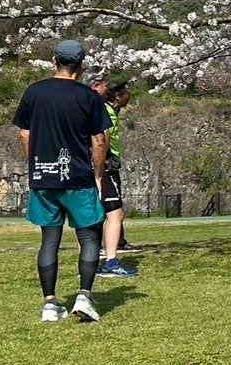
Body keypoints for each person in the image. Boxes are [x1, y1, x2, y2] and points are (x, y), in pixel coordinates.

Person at [13, 40, 112, 323]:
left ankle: (50, 303)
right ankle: (84, 295)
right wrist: (97, 174)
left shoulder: (34, 92)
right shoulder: (88, 97)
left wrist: (36, 166)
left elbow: (24, 134)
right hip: (78, 178)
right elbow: (99, 140)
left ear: (53, 61)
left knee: (49, 240)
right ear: (82, 66)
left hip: (43, 178)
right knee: (89, 237)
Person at [92, 80, 139, 279]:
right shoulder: (103, 110)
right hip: (104, 164)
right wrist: (105, 160)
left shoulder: (107, 110)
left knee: (99, 211)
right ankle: (109, 260)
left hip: (103, 162)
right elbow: (103, 137)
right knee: (114, 212)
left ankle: (93, 259)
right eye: (127, 94)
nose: (130, 98)